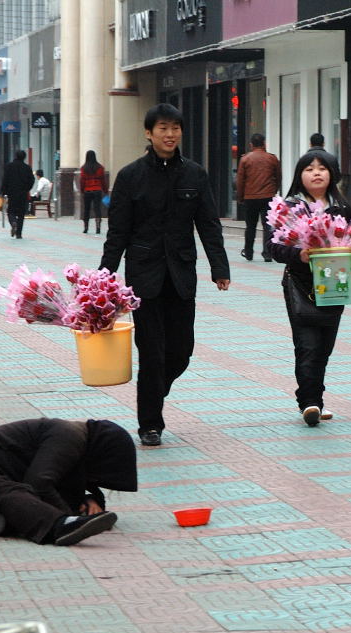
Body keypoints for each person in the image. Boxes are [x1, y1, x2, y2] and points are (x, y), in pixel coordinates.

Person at [100, 103, 231, 447]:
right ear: (148, 133)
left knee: (181, 351)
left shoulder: (194, 174)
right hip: (144, 278)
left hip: (181, 276)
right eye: (162, 128)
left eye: (175, 128)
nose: (169, 134)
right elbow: (118, 232)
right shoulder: (130, 176)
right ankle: (150, 424)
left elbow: (208, 224)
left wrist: (220, 267)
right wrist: (103, 276)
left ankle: (154, 392)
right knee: (152, 353)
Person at [0, 418, 136, 546]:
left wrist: (89, 500)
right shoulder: (69, 434)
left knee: (17, 498)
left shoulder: (77, 444)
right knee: (12, 494)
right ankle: (58, 526)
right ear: (101, 454)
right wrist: (69, 517)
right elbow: (39, 483)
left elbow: (63, 483)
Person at [268, 149, 351, 427]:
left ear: (332, 174)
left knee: (325, 346)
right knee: (307, 344)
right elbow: (272, 247)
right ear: (299, 175)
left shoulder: (342, 208)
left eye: (322, 168)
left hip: (333, 284)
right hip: (300, 284)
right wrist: (299, 254)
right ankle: (309, 403)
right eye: (309, 168)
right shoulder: (289, 208)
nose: (316, 173)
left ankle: (316, 398)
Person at [235, 133, 280, 262]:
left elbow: (240, 181)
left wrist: (240, 197)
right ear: (264, 143)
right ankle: (268, 253)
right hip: (268, 196)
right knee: (267, 226)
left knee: (250, 226)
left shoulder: (245, 159)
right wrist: (274, 190)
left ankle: (248, 252)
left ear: (251, 145)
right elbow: (278, 177)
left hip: (250, 197)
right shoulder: (272, 159)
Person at [0, 150, 35, 238]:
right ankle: (19, 234)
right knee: (21, 214)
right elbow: (31, 180)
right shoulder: (27, 167)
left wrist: (3, 192)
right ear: (24, 157)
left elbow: (5, 180)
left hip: (12, 193)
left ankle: (13, 223)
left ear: (15, 156)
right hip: (23, 193)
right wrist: (27, 189)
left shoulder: (9, 166)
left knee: (11, 211)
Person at [79, 150, 107, 234]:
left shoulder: (84, 168)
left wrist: (82, 190)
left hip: (87, 191)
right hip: (97, 190)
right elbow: (103, 180)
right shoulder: (100, 168)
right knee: (97, 209)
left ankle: (86, 228)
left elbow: (82, 181)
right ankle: (98, 227)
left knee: (86, 209)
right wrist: (105, 190)